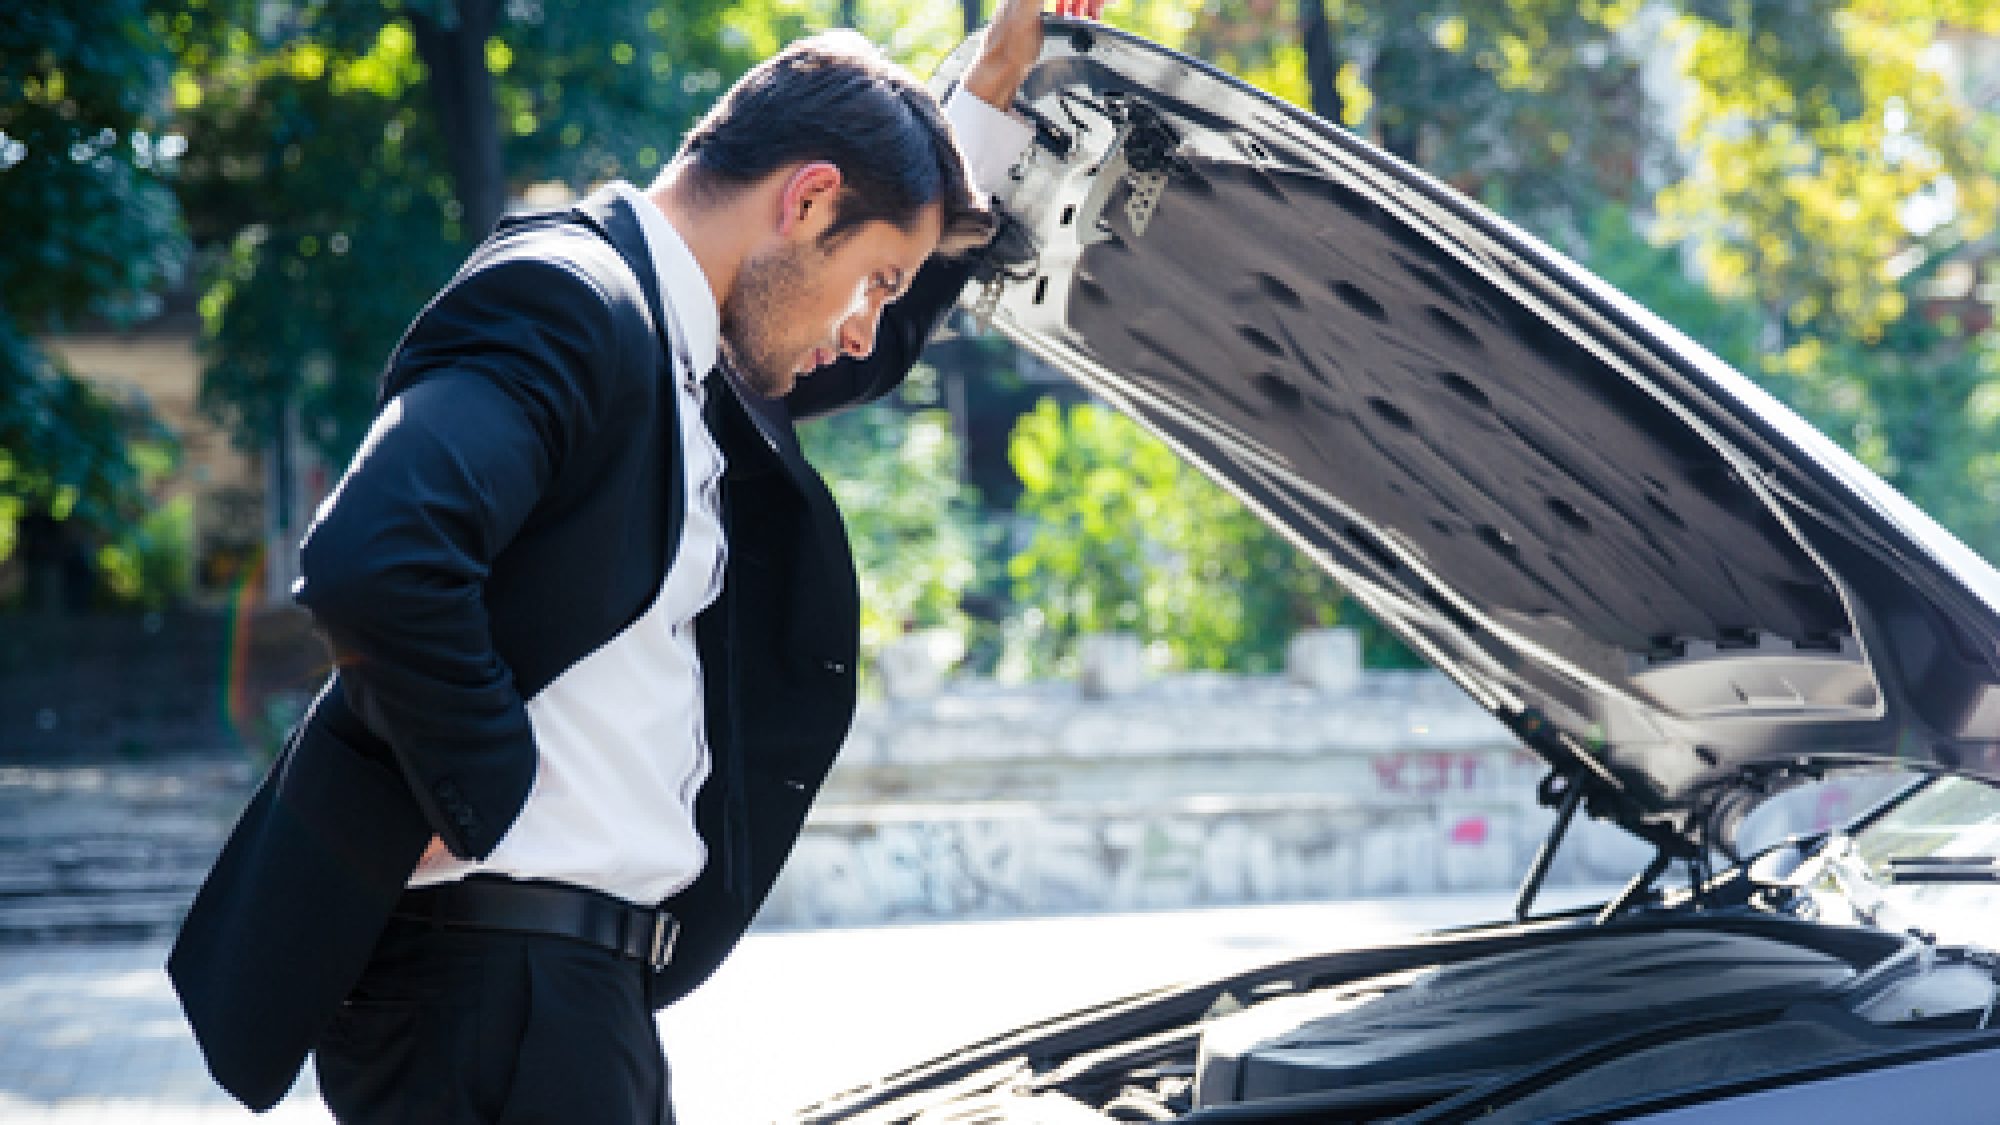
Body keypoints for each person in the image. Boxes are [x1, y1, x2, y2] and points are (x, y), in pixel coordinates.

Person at [167, 1, 1101, 1120]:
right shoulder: (568, 300)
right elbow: (382, 550)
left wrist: (992, 85)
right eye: (875, 278)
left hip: (556, 996)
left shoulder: (687, 356)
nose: (866, 327)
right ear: (805, 202)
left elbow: (869, 346)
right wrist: (483, 790)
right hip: (493, 995)